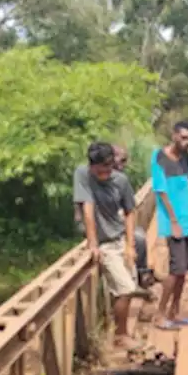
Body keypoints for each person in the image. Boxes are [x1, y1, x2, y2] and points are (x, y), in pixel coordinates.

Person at [74, 142, 139, 350]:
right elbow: (88, 209)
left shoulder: (121, 181)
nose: (104, 174)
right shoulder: (83, 175)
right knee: (126, 289)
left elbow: (130, 211)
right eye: (100, 171)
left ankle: (115, 328)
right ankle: (121, 335)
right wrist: (93, 244)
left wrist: (130, 245)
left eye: (108, 169)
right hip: (105, 245)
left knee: (127, 287)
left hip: (120, 238)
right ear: (91, 166)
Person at [151, 121, 188, 329]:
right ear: (174, 136)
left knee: (184, 271)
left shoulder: (187, 159)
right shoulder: (159, 158)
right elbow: (161, 191)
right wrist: (173, 221)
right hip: (174, 223)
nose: (187, 142)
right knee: (175, 270)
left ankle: (175, 311)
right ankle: (160, 314)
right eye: (183, 137)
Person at [112, 144, 155, 292]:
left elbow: (130, 206)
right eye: (122, 160)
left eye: (125, 161)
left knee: (140, 236)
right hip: (110, 226)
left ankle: (141, 273)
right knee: (139, 238)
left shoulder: (121, 179)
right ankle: (141, 274)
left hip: (119, 222)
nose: (124, 164)